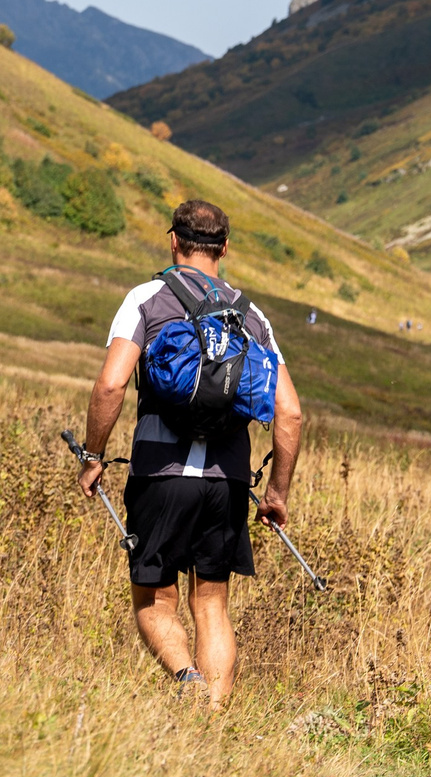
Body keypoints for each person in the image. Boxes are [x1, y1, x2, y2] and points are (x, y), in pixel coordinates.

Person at [79, 198, 302, 706]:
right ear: (224, 248)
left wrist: (94, 457)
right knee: (212, 603)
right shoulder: (253, 316)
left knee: (155, 601)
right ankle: (214, 722)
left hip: (161, 473)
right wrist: (277, 492)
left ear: (172, 241)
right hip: (227, 481)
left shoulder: (147, 298)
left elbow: (111, 386)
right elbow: (289, 413)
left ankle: (188, 682)